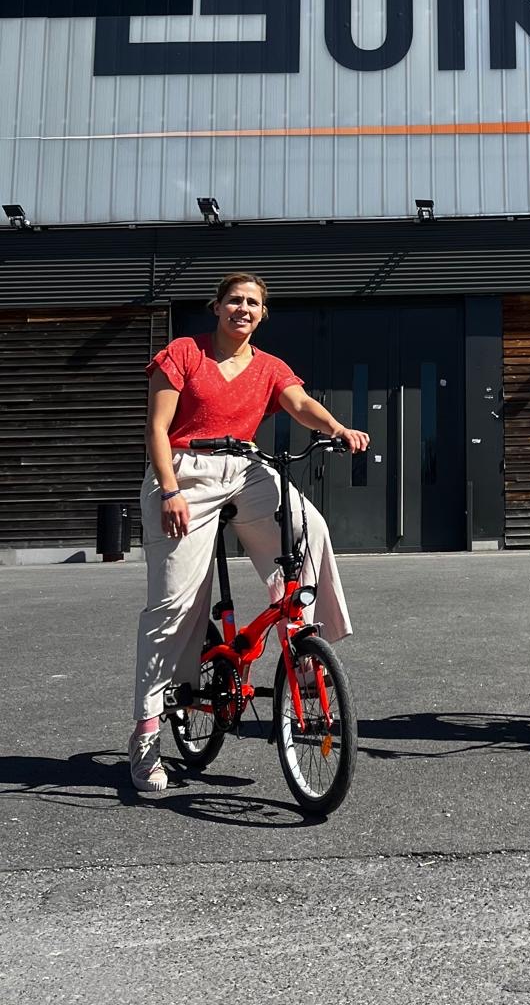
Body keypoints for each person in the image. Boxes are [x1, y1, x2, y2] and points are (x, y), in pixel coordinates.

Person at [128, 272, 369, 796]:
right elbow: (156, 428)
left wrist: (337, 428)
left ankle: (303, 644)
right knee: (174, 605)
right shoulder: (184, 353)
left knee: (309, 528)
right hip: (185, 471)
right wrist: (168, 490)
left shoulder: (268, 366)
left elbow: (300, 404)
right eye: (234, 300)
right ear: (216, 307)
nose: (243, 309)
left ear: (262, 314)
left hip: (244, 468)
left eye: (253, 303)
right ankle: (146, 735)